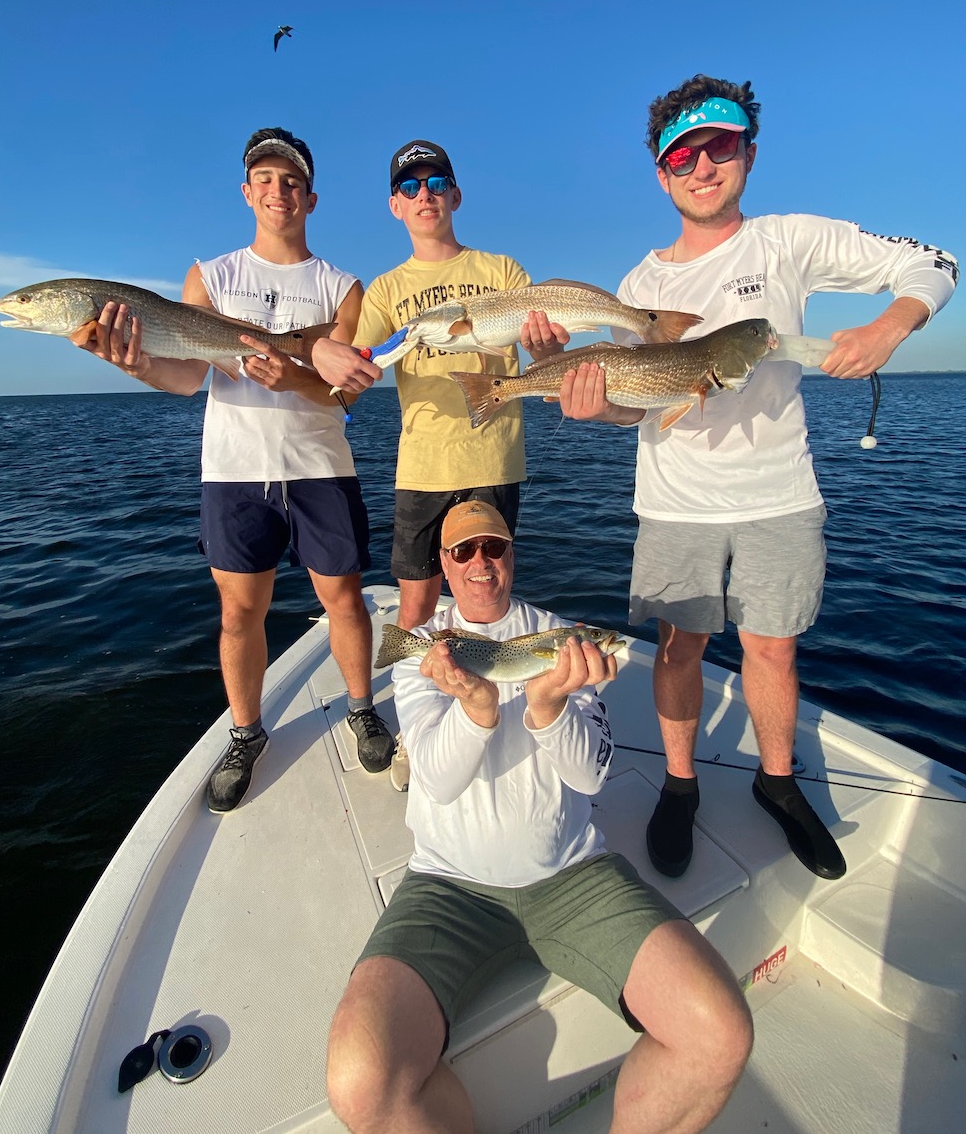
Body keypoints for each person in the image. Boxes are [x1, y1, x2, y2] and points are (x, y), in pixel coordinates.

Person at [560, 75, 958, 883]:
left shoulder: (790, 240)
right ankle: (680, 782)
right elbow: (636, 409)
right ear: (661, 171)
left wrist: (890, 323)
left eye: (721, 146)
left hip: (782, 492)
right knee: (678, 649)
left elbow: (936, 261)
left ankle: (778, 783)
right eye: (684, 154)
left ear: (748, 150)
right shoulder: (638, 288)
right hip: (674, 500)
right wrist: (587, 404)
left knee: (772, 653)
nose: (703, 166)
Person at [326, 500, 753, 1134]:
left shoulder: (563, 641)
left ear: (511, 552)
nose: (481, 563)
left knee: (720, 1032)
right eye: (463, 551)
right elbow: (437, 782)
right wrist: (475, 707)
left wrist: (550, 702)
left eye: (493, 547)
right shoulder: (426, 650)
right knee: (358, 1082)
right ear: (442, 564)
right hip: (449, 886)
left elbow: (591, 774)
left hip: (572, 876)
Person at [77, 127, 395, 808]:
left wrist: (291, 378)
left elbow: (343, 389)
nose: (278, 190)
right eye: (266, 179)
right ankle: (247, 731)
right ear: (247, 192)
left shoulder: (341, 287)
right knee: (238, 611)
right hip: (233, 471)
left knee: (343, 597)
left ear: (312, 197)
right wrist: (136, 363)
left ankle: (362, 706)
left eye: (291, 180)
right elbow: (187, 374)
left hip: (320, 465)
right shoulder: (212, 277)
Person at [353, 140, 567, 635]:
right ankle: (416, 705)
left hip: (494, 457)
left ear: (455, 196)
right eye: (410, 186)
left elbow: (544, 357)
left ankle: (481, 708)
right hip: (423, 467)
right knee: (415, 611)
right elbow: (363, 363)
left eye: (436, 183)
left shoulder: (503, 272)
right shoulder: (385, 289)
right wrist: (332, 368)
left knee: (487, 606)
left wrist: (549, 349)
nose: (424, 194)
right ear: (396, 205)